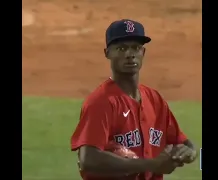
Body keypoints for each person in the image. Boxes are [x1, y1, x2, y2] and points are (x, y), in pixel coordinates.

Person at [70, 19, 197, 180]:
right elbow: (88, 159)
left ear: (143, 53)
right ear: (107, 53)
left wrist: (190, 151)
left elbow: (182, 142)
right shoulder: (101, 102)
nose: (130, 54)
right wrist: (151, 165)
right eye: (122, 48)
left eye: (135, 48)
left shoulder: (154, 99)